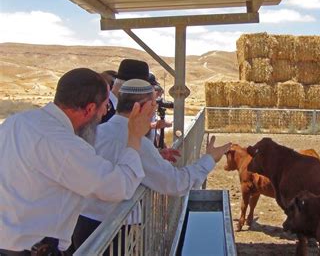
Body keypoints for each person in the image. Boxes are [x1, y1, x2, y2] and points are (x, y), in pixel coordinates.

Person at [0, 68, 155, 255]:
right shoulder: (64, 144)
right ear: (90, 108)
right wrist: (135, 137)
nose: (105, 112)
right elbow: (118, 186)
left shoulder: (16, 122)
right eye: (105, 106)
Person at [72, 79, 232, 252]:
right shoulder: (138, 142)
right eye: (153, 106)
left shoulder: (97, 132)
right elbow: (175, 183)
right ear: (140, 108)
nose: (154, 111)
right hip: (115, 234)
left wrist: (157, 157)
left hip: (82, 225)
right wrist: (209, 159)